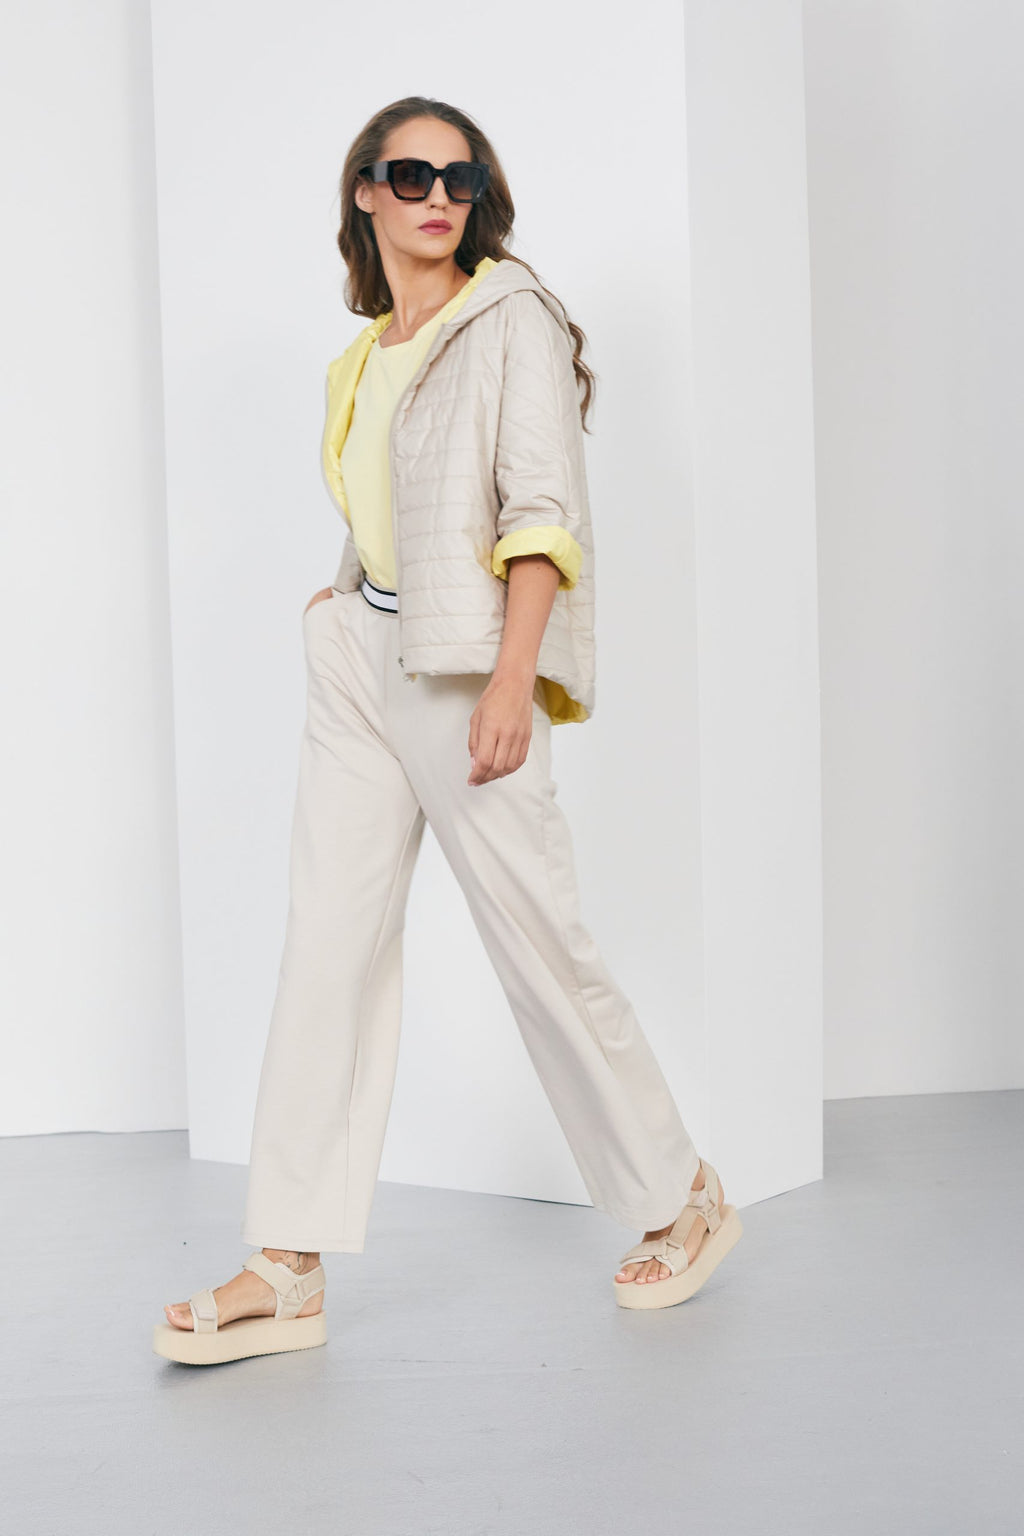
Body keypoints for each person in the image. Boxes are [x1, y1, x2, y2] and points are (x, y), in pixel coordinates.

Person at [153, 96, 742, 1366]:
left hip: (466, 665)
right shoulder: (365, 353)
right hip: (359, 661)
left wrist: (511, 678)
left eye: (459, 178)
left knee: (535, 939)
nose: (436, 196)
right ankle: (287, 1264)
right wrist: (341, 602)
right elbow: (389, 508)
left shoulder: (510, 318)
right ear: (364, 191)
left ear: (479, 198)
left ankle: (681, 1193)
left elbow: (540, 513)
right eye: (409, 174)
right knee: (327, 946)